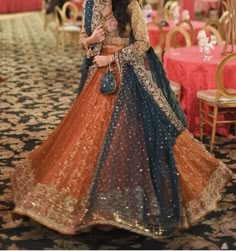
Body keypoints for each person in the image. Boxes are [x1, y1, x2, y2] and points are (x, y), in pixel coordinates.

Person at [11, 0, 232, 239]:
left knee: (129, 138)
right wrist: (90, 41)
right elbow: (83, 41)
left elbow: (143, 43)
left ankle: (125, 203)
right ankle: (96, 202)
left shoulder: (130, 6)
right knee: (85, 137)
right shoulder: (90, 5)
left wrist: (111, 59)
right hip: (98, 77)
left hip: (126, 76)